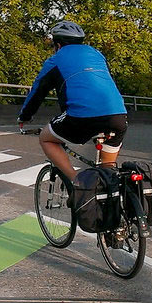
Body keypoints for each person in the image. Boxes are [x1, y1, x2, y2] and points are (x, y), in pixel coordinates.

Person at [17, 20, 128, 184]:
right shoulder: (97, 54)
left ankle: (77, 182)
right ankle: (109, 190)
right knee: (108, 172)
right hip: (118, 114)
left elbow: (37, 92)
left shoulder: (55, 60)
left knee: (46, 138)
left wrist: (25, 116)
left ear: (58, 44)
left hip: (81, 116)